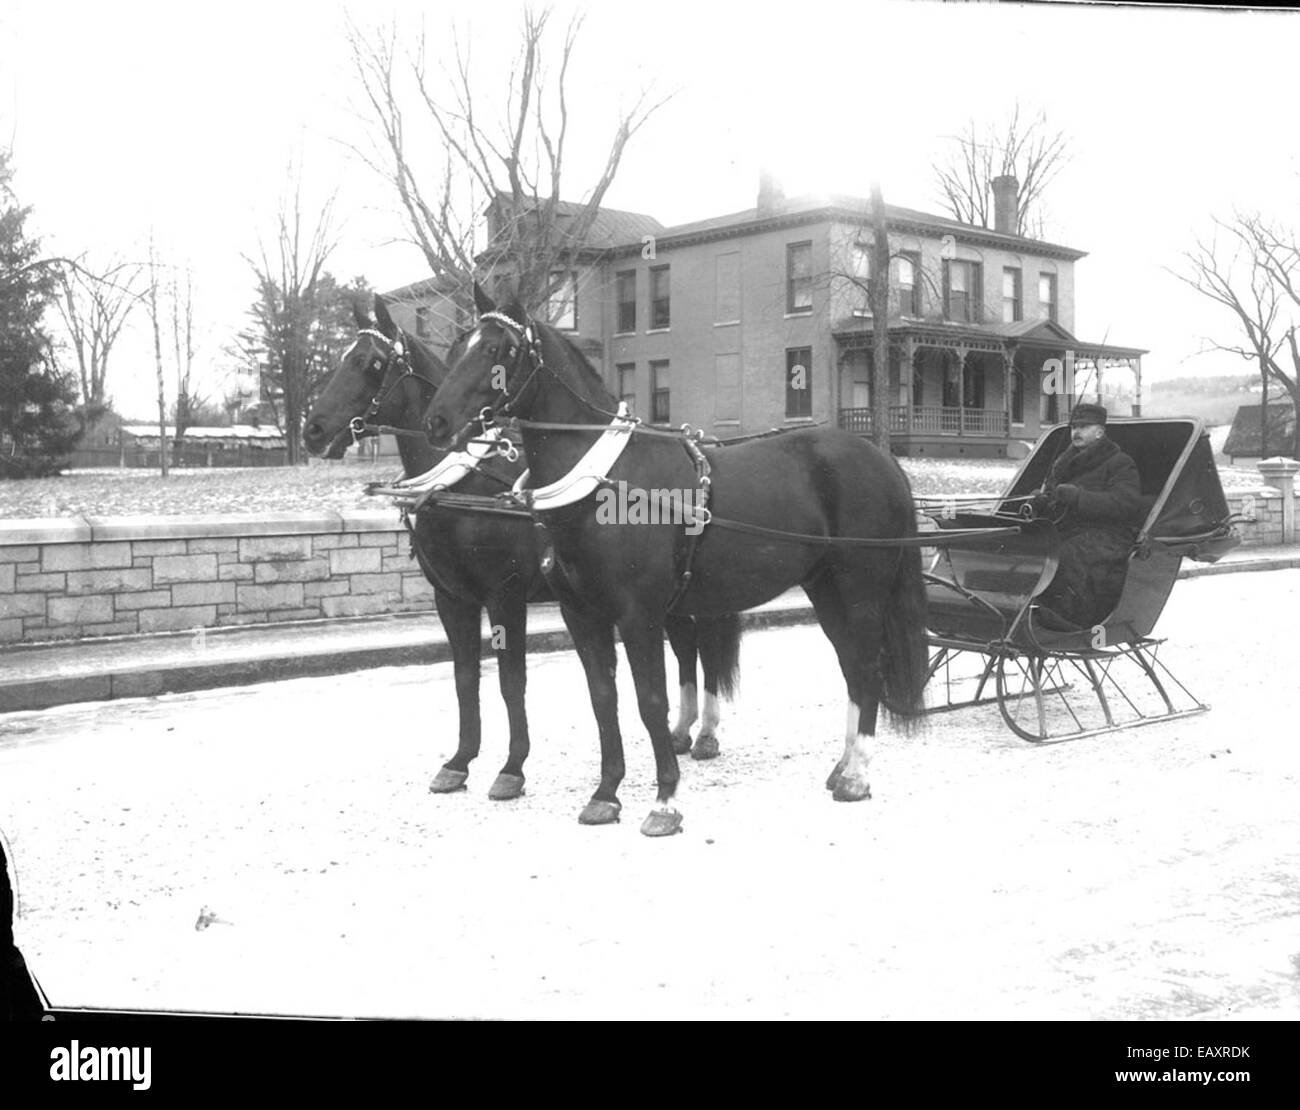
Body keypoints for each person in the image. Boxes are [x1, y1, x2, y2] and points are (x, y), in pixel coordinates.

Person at [1029, 403, 1146, 630]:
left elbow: (1126, 504)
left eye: (1084, 427)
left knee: (1066, 556)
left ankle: (1069, 618)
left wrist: (1080, 497)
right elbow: (1054, 497)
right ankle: (1029, 609)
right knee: (1031, 550)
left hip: (1109, 535)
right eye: (1074, 427)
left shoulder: (1119, 463)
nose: (1076, 432)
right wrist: (1042, 501)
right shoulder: (1063, 463)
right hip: (1067, 530)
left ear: (1100, 432)